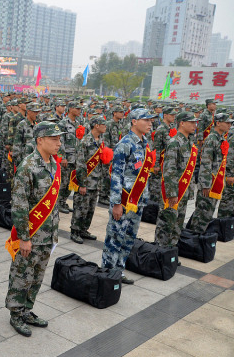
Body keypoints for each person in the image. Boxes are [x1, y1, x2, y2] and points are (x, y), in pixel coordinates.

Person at [6, 121, 65, 337]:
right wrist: (24, 237)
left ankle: (27, 310)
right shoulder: (28, 167)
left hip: (48, 235)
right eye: (54, 139)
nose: (59, 143)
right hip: (31, 234)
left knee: (37, 276)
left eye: (59, 139)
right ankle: (15, 313)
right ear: (40, 140)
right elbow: (19, 206)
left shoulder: (53, 165)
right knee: (22, 275)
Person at [102, 108, 157, 285]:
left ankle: (119, 270)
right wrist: (116, 203)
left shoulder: (144, 142)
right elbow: (116, 175)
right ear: (134, 121)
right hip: (124, 201)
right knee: (115, 237)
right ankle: (107, 273)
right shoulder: (125, 144)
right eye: (146, 120)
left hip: (138, 201)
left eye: (151, 120)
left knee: (128, 238)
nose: (150, 123)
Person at [154, 112, 199, 248]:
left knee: (178, 224)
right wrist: (172, 193)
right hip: (174, 191)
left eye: (195, 122)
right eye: (191, 122)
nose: (194, 125)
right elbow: (169, 170)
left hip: (184, 191)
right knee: (167, 223)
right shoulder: (174, 142)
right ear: (182, 123)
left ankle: (171, 251)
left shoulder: (189, 142)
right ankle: (160, 252)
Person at [187, 113, 233, 232]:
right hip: (209, 183)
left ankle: (199, 239)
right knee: (202, 214)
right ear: (218, 123)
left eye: (230, 123)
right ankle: (193, 239)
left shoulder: (221, 139)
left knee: (208, 214)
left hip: (216, 181)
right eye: (227, 122)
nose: (230, 125)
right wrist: (206, 185)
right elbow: (205, 164)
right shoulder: (211, 139)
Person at [69, 116, 107, 244]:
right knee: (81, 207)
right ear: (96, 125)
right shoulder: (85, 141)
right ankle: (75, 231)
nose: (105, 126)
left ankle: (84, 229)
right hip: (86, 181)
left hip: (96, 181)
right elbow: (80, 165)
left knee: (90, 208)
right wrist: (82, 184)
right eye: (103, 124)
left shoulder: (101, 140)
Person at [57, 102, 83, 214]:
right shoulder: (63, 123)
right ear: (71, 109)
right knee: (64, 182)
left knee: (70, 183)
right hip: (67, 158)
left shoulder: (79, 123)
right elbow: (60, 140)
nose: (79, 110)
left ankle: (63, 202)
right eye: (77, 108)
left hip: (76, 158)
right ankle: (58, 203)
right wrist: (62, 157)